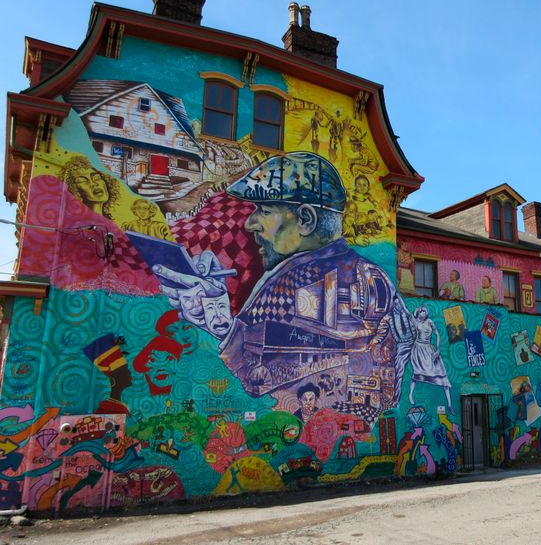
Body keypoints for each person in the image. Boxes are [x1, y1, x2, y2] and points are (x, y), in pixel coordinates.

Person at [153, 152, 399, 413]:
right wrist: (221, 324)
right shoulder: (353, 271)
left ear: (305, 220)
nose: (250, 223)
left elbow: (266, 381)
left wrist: (227, 331)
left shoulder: (307, 282)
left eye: (265, 210)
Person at [409, 306, 452, 408]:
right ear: (418, 313)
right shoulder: (416, 322)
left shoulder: (429, 321)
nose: (423, 313)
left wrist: (438, 349)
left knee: (440, 371)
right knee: (417, 373)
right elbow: (408, 314)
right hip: (419, 349)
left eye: (424, 311)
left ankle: (449, 404)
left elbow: (437, 334)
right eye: (421, 311)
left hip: (429, 348)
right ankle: (410, 394)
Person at [81, 333, 131, 414]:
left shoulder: (118, 405)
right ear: (113, 378)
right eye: (124, 370)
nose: (129, 372)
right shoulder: (108, 409)